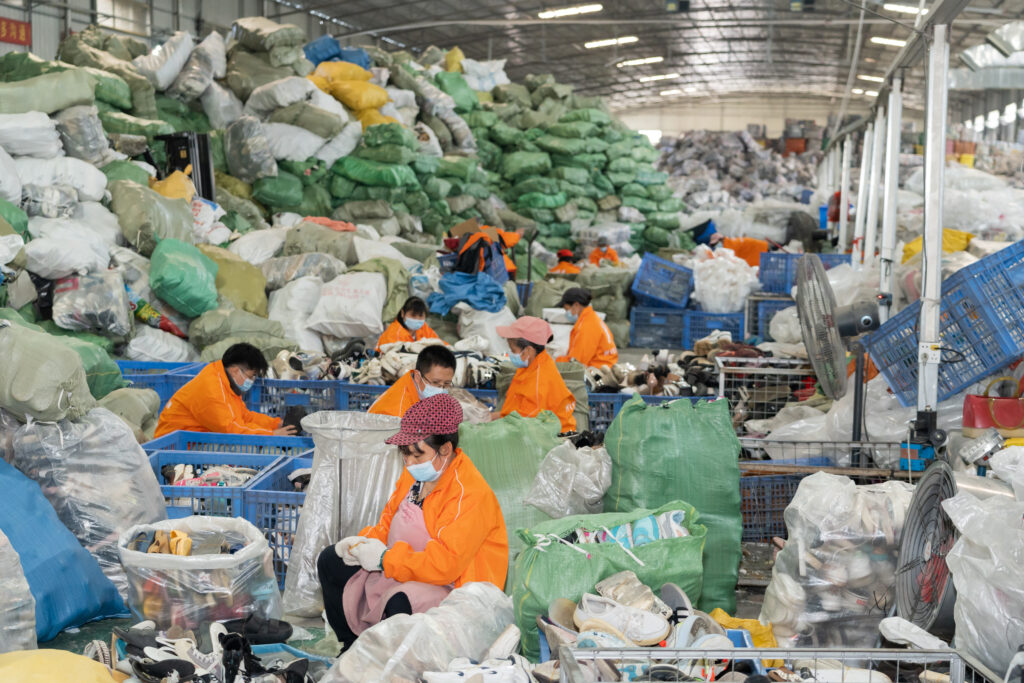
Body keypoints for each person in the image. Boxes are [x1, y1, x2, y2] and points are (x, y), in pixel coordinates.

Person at [317, 394, 508, 647]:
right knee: (331, 560)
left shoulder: (469, 495)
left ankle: (400, 664)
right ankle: (352, 646)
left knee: (401, 602)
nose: (409, 463)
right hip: (407, 568)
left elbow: (445, 565)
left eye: (417, 455)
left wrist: (385, 559)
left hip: (453, 590)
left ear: (446, 450)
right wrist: (361, 544)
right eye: (405, 454)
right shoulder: (414, 477)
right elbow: (387, 522)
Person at [154, 343, 295, 438]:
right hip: (176, 448)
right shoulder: (212, 391)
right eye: (251, 377)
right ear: (235, 371)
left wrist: (276, 424)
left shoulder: (224, 379)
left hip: (196, 440)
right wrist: (272, 435)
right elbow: (232, 430)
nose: (252, 382)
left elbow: (244, 417)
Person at [496, 316, 577, 433]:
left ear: (528, 351)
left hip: (551, 440)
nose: (510, 354)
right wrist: (491, 416)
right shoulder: (530, 365)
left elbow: (523, 425)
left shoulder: (540, 380)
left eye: (513, 350)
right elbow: (517, 411)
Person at [368, 344, 458, 418]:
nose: (441, 390)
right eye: (435, 382)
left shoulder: (416, 388)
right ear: (418, 377)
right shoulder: (397, 414)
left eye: (447, 384)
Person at [555, 287, 618, 368]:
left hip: (597, 370)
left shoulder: (586, 326)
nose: (566, 313)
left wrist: (556, 361)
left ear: (576, 305)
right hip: (604, 367)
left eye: (566, 309)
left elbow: (576, 362)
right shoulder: (592, 319)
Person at [375, 296, 444, 352]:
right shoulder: (394, 333)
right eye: (413, 315)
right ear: (403, 313)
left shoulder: (423, 328)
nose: (417, 319)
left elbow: (439, 343)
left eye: (420, 316)